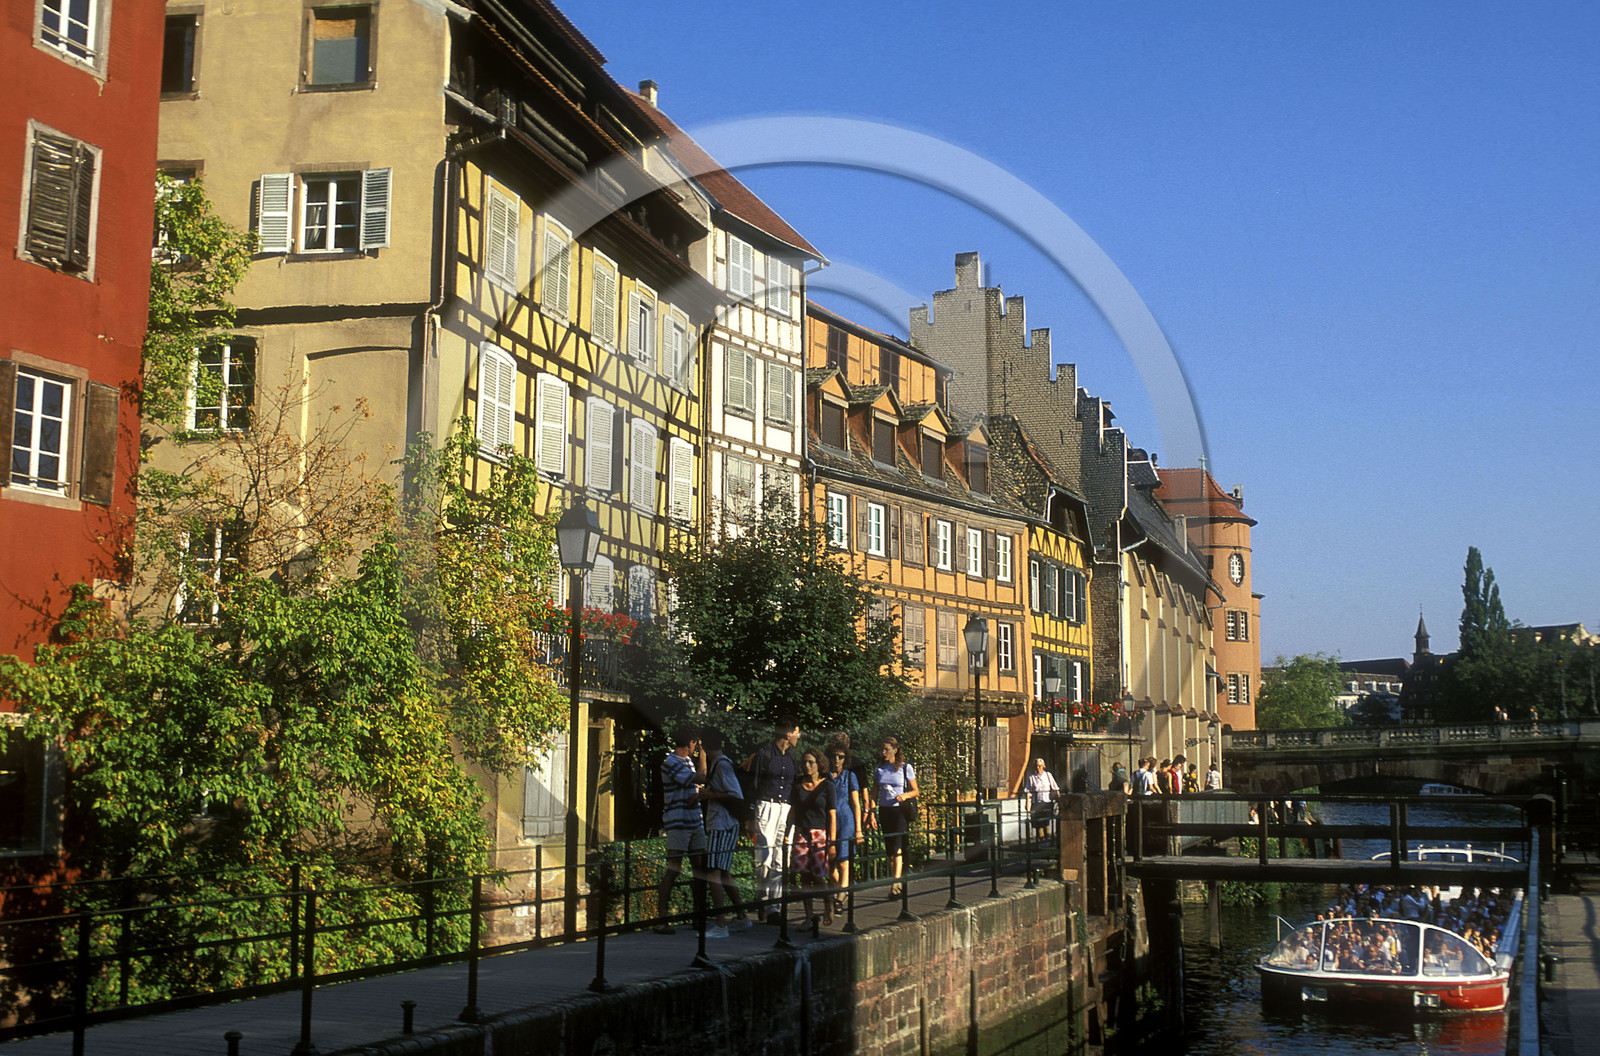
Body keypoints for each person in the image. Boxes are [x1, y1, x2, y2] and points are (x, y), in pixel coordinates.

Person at [744, 715, 799, 925]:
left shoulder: (792, 756)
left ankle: (774, 907)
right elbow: (753, 785)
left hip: (784, 807)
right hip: (766, 805)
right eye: (796, 731)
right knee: (764, 858)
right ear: (788, 733)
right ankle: (763, 899)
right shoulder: (764, 753)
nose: (799, 736)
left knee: (780, 857)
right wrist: (750, 816)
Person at [654, 725, 708, 935]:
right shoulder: (670, 762)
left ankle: (697, 916)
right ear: (690, 743)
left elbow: (695, 786)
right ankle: (662, 918)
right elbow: (701, 778)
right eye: (696, 743)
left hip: (695, 820)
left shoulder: (686, 762)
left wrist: (697, 794)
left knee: (699, 870)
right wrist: (703, 758)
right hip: (677, 822)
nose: (697, 747)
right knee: (673, 868)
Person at [700, 729, 754, 934]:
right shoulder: (721, 763)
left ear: (705, 747)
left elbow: (734, 793)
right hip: (725, 824)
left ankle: (720, 923)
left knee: (713, 871)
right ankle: (741, 916)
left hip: (722, 824)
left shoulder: (722, 765)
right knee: (723, 871)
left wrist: (708, 795)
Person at [788, 747, 838, 925]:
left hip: (820, 833)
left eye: (811, 762)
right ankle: (809, 916)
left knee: (818, 875)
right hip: (802, 832)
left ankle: (828, 903)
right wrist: (788, 834)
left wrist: (832, 842)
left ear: (819, 764)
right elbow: (793, 811)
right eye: (805, 762)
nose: (807, 766)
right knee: (803, 876)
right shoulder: (798, 784)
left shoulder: (827, 786)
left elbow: (832, 814)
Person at [867, 736, 918, 896]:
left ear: (895, 750)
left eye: (886, 749)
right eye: (882, 749)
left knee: (897, 846)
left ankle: (895, 884)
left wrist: (905, 796)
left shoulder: (904, 768)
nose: (883, 752)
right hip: (884, 810)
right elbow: (874, 794)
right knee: (890, 848)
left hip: (899, 811)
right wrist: (871, 814)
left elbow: (916, 790)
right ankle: (896, 880)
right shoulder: (879, 769)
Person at [825, 736, 862, 918]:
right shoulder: (825, 777)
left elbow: (856, 803)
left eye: (840, 757)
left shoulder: (850, 776)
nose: (837, 760)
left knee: (844, 860)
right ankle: (843, 889)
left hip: (846, 820)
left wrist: (859, 829)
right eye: (834, 756)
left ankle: (840, 897)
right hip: (829, 822)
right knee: (829, 863)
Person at [1024, 757, 1060, 841]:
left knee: (1046, 822)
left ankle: (1047, 839)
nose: (1038, 768)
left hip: (1046, 802)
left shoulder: (1048, 775)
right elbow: (1028, 791)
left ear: (1043, 766)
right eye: (1036, 766)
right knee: (1038, 823)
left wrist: (1059, 799)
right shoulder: (1031, 777)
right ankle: (1041, 841)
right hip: (1036, 803)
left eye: (1040, 766)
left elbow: (1055, 787)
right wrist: (1027, 804)